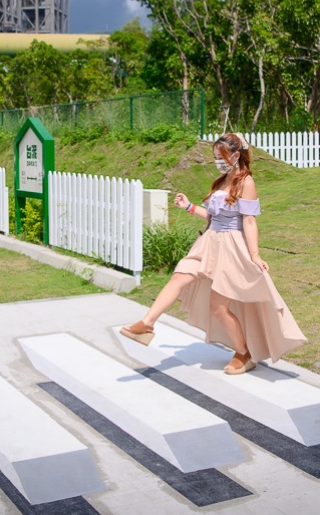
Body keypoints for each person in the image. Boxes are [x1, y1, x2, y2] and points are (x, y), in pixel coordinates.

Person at [120, 133, 307, 375]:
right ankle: (147, 324)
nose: (217, 161)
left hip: (231, 248)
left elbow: (249, 222)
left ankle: (244, 352)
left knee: (219, 308)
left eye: (222, 156)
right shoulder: (221, 181)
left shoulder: (246, 182)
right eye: (215, 157)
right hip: (208, 243)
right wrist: (188, 206)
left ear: (236, 155)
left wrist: (255, 255)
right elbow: (212, 216)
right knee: (179, 276)